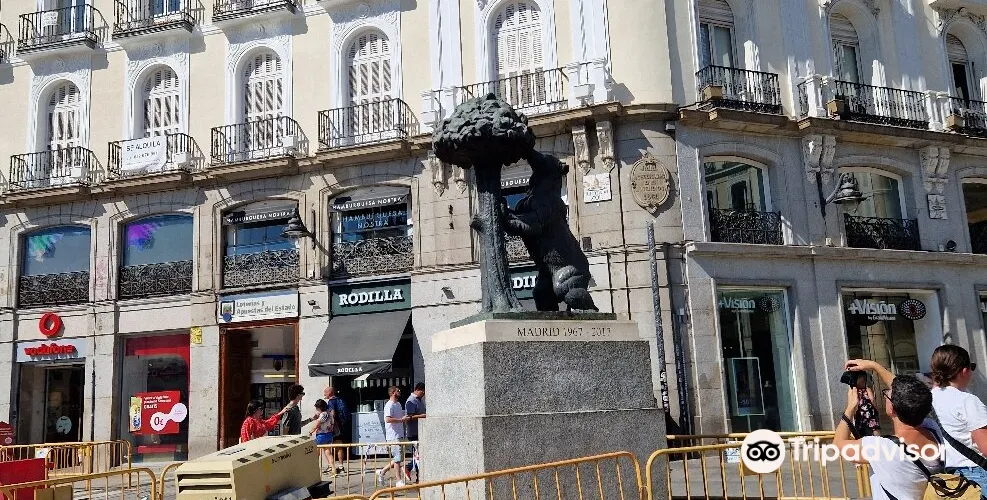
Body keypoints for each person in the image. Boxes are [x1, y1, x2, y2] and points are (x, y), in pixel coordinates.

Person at [839, 359, 944, 500]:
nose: (885, 396)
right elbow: (908, 394)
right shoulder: (933, 429)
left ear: (892, 408)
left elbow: (838, 445)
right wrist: (874, 366)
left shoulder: (883, 448)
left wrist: (850, 408)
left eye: (887, 395)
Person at [930, 345, 987, 497]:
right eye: (972, 367)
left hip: (949, 476)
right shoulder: (967, 401)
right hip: (977, 473)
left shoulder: (929, 398)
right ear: (964, 370)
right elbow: (986, 447)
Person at [377, 386, 411, 487]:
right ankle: (398, 480)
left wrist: (404, 419)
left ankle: (382, 472)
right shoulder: (389, 405)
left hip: (400, 434)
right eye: (398, 390)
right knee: (397, 459)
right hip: (393, 435)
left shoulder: (398, 404)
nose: (400, 391)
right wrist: (401, 420)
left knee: (398, 458)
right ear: (393, 392)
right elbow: (387, 419)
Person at [323, 386, 350, 474]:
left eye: (325, 392)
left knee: (328, 446)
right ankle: (341, 466)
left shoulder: (331, 402)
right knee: (339, 446)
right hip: (342, 426)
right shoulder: (340, 400)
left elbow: (333, 414)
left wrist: (330, 424)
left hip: (335, 427)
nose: (324, 394)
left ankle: (331, 467)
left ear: (330, 393)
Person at [404, 382, 426, 482]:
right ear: (418, 390)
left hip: (419, 431)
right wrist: (422, 416)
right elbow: (409, 417)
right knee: (418, 455)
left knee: (419, 455)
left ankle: (417, 475)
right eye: (423, 392)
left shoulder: (419, 400)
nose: (423, 394)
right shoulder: (411, 401)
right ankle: (408, 468)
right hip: (413, 432)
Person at [311, 399, 337, 473]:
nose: (316, 409)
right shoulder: (330, 413)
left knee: (316, 453)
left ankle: (314, 469)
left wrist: (311, 431)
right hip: (329, 435)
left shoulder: (323, 414)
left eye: (317, 408)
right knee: (328, 453)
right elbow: (332, 423)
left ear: (320, 407)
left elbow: (317, 424)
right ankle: (333, 468)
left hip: (321, 435)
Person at [852, 372, 881, 437]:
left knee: (860, 427)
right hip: (870, 411)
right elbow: (872, 399)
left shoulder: (855, 390)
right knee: (874, 427)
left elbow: (855, 401)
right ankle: (878, 439)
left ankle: (862, 439)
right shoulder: (867, 389)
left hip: (860, 412)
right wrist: (876, 408)